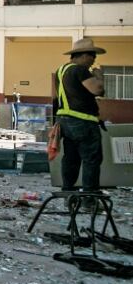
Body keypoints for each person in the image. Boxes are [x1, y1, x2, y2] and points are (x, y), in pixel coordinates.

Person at [52, 37, 107, 192]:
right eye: (92, 56)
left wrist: (55, 121)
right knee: (91, 160)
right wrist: (99, 76)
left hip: (65, 122)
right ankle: (90, 197)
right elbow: (98, 90)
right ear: (83, 55)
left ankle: (68, 192)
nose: (93, 60)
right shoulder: (80, 70)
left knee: (71, 158)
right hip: (83, 122)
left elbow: (55, 97)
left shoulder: (60, 71)